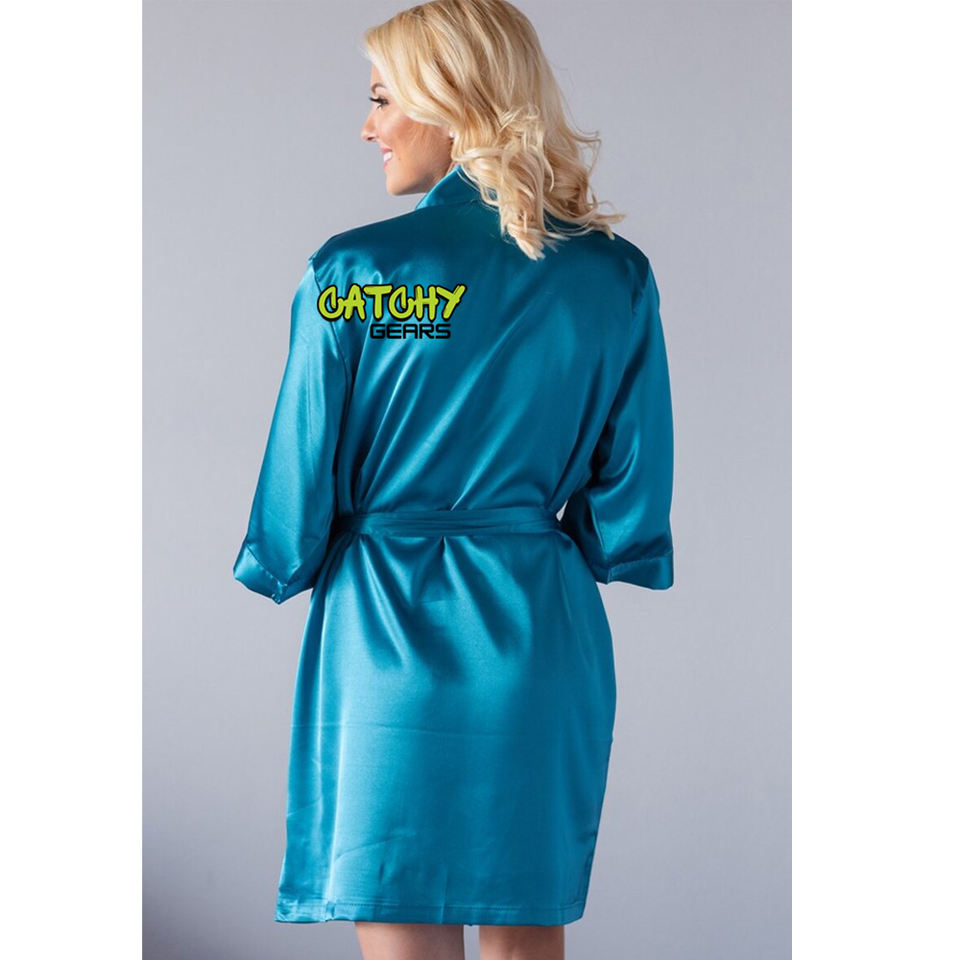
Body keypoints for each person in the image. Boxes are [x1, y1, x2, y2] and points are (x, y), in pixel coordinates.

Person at [232, 1, 676, 957]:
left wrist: (279, 557)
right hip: (536, 631)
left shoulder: (356, 271)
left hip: (384, 631)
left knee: (397, 919)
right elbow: (629, 499)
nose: (368, 127)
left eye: (381, 98)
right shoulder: (616, 276)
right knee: (526, 934)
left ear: (450, 100)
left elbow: (298, 476)